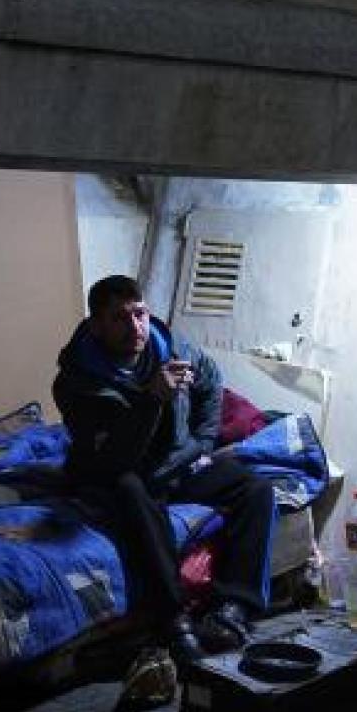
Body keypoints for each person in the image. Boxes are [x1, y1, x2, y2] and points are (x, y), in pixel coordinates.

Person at [53, 275, 275, 665]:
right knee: (129, 491)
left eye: (139, 314)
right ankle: (173, 619)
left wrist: (203, 444)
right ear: (96, 325)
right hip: (117, 469)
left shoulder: (173, 346)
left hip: (176, 463)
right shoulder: (76, 382)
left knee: (256, 489)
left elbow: (211, 384)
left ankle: (234, 608)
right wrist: (152, 399)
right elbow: (117, 457)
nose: (135, 327)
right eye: (120, 318)